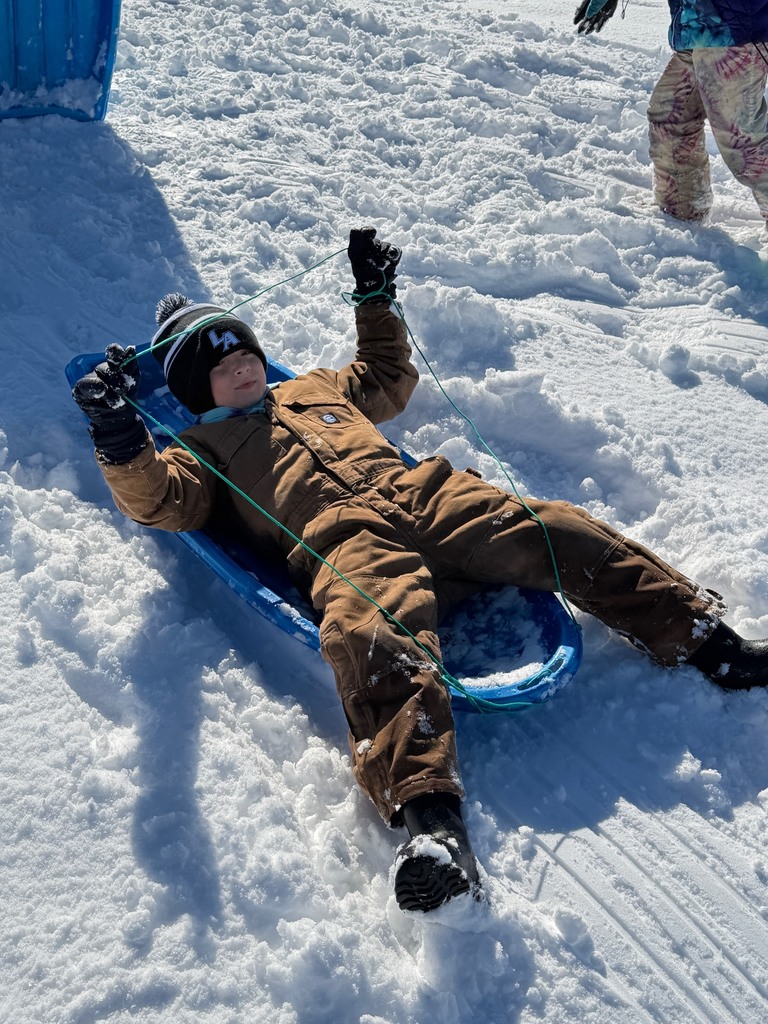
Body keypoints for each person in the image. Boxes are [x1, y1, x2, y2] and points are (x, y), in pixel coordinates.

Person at [72, 228, 768, 913]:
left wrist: (375, 298)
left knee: (554, 529)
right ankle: (432, 826)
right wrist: (118, 432)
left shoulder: (316, 387)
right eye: (220, 367)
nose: (243, 366)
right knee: (368, 634)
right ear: (198, 390)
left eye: (245, 350)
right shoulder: (200, 449)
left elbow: (384, 379)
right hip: (346, 540)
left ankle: (709, 642)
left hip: (426, 495)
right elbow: (161, 501)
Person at [574, 0, 768, 226]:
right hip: (702, 26)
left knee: (744, 142)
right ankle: (682, 216)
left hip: (733, 27)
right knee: (671, 117)